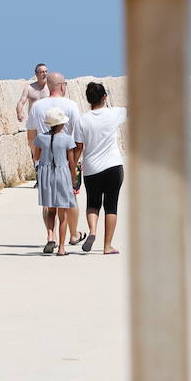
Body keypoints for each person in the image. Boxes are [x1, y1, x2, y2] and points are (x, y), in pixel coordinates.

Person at [27, 72, 85, 245]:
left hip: (44, 161)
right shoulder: (72, 106)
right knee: (69, 199)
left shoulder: (37, 107)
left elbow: (31, 136)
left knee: (48, 202)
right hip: (65, 161)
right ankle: (73, 234)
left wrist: (37, 159)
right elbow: (78, 138)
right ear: (62, 85)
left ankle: (50, 235)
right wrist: (74, 162)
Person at [78, 82, 126, 254]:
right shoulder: (114, 114)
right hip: (113, 166)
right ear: (104, 97)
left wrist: (73, 167)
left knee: (93, 203)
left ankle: (92, 231)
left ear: (88, 99)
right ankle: (107, 246)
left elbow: (78, 146)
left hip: (91, 168)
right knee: (111, 206)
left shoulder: (82, 120)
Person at [32, 108, 79, 255]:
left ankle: (51, 235)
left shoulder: (40, 137)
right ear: (60, 124)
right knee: (63, 214)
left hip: (46, 175)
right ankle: (62, 248)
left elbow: (36, 157)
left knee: (51, 210)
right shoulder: (67, 139)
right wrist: (74, 178)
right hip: (62, 174)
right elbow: (71, 162)